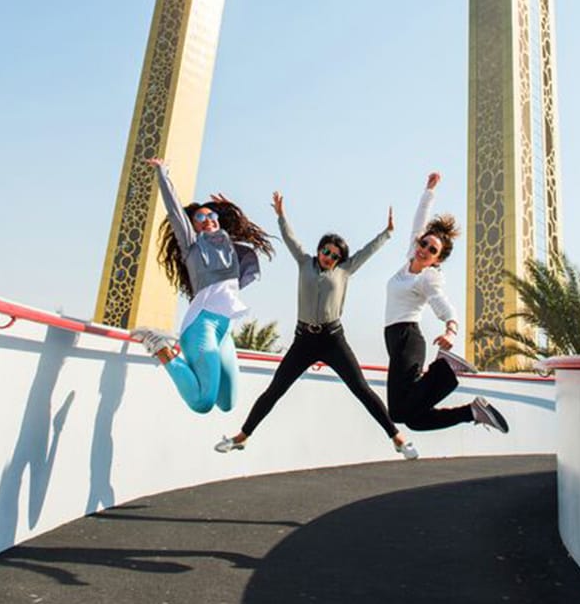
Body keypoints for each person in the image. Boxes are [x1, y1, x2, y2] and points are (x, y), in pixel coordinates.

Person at [215, 191, 418, 459]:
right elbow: (290, 239)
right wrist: (280, 215)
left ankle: (397, 438)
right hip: (304, 341)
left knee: (361, 388)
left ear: (339, 259)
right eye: (325, 251)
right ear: (319, 249)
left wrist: (388, 232)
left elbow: (366, 252)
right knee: (275, 390)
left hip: (333, 339)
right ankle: (242, 437)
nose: (328, 257)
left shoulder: (345, 270)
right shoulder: (304, 262)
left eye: (334, 255)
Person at [132, 158, 273, 422]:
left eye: (211, 215)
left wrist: (233, 209)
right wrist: (163, 173)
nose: (207, 219)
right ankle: (160, 347)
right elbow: (174, 210)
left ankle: (172, 351)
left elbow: (249, 232)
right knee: (202, 402)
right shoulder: (192, 246)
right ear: (194, 225)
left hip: (224, 332)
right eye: (200, 217)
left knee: (227, 402)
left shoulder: (230, 244)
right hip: (201, 327)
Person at [383, 172, 509, 434]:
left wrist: (451, 329)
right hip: (396, 340)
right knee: (414, 420)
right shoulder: (411, 256)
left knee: (397, 412)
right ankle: (472, 411)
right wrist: (429, 191)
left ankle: (446, 369)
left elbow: (443, 304)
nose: (425, 249)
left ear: (437, 260)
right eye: (424, 243)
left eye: (432, 250)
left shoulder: (428, 278)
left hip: (407, 339)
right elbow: (419, 220)